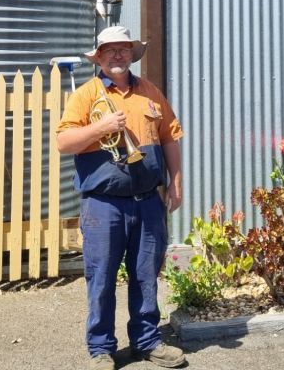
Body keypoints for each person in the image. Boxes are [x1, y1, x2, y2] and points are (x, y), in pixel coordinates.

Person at [56, 25, 185, 369]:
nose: (117, 55)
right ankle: (101, 348)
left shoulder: (151, 92)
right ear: (98, 57)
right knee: (101, 277)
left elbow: (169, 137)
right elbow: (63, 143)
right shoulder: (86, 94)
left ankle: (146, 341)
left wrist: (175, 182)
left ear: (132, 54)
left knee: (145, 275)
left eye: (123, 49)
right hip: (103, 204)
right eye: (110, 50)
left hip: (148, 201)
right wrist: (101, 127)